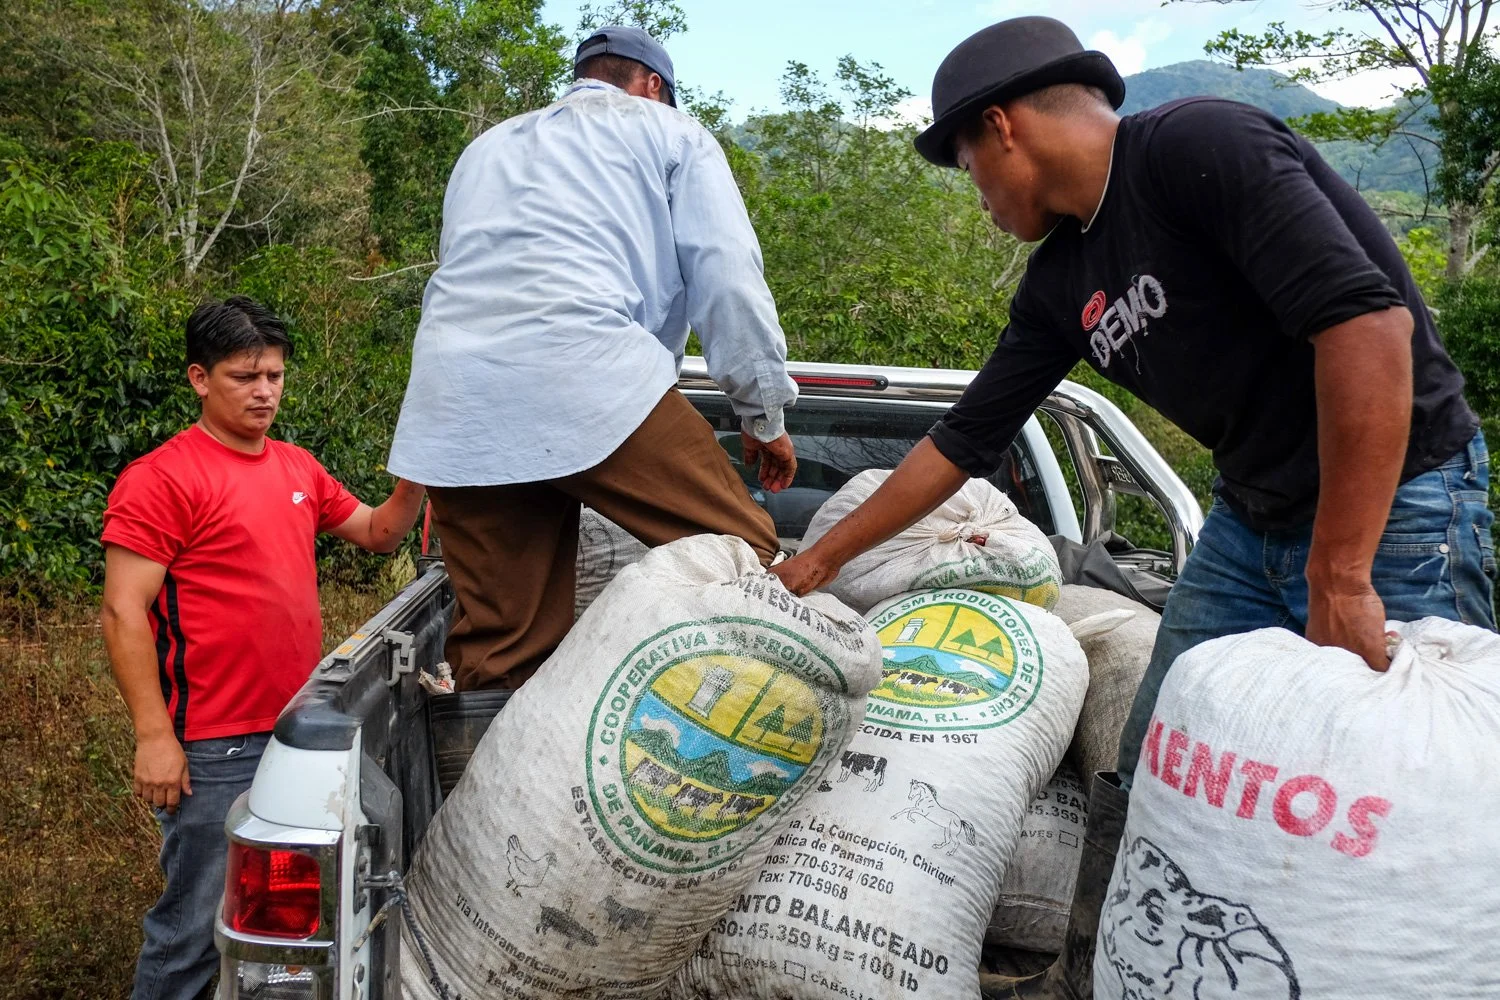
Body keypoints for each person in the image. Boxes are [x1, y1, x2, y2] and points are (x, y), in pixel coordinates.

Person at [387, 26, 799, 691]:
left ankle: (494, 753)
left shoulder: (487, 148)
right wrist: (763, 412)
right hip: (588, 369)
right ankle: (700, 712)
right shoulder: (672, 133)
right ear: (653, 86)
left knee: (501, 646)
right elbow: (726, 276)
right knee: (740, 557)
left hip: (457, 396)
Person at [100, 296, 425, 1000]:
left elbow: (379, 532)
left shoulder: (297, 468)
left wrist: (422, 464)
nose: (264, 392)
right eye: (245, 377)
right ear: (199, 378)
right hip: (213, 744)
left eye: (274, 375)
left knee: (280, 929)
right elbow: (123, 611)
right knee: (192, 929)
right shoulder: (161, 478)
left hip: (297, 732)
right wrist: (154, 736)